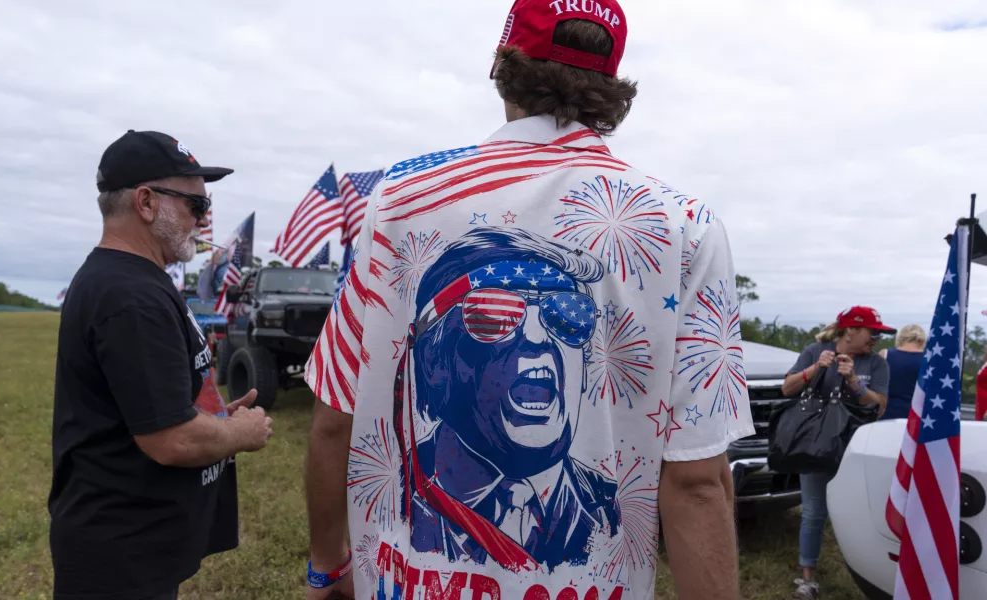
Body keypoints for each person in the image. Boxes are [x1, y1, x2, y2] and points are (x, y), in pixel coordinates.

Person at [302, 1, 755, 599]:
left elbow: (336, 420)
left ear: (502, 67)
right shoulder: (685, 227)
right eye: (494, 316)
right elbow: (698, 479)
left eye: (570, 319)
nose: (539, 340)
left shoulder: (403, 198)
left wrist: (327, 566)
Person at [50, 130, 274, 600]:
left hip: (130, 543)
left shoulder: (134, 282)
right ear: (147, 203)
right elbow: (171, 439)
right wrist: (241, 433)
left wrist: (212, 418)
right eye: (195, 205)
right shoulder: (130, 296)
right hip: (119, 555)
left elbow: (155, 406)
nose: (204, 218)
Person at [780, 306, 894, 599]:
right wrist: (816, 368)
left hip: (857, 447)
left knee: (860, 512)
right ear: (850, 331)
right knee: (814, 511)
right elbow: (787, 389)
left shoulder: (877, 363)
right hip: (816, 443)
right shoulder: (815, 351)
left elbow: (879, 405)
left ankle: (870, 574)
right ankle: (807, 578)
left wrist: (854, 382)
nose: (876, 339)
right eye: (873, 332)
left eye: (879, 334)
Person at [878, 324, 926, 420]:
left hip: (887, 414)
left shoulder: (884, 355)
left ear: (900, 338)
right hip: (918, 417)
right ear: (923, 340)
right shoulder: (931, 360)